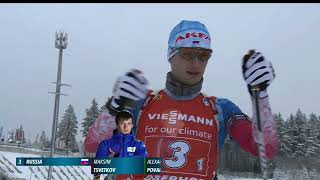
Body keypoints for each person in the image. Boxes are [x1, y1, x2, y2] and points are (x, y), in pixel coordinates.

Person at [85, 20, 278, 180]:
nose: (196, 63)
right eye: (187, 54)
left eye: (204, 56)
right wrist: (114, 108)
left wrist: (260, 95)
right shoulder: (142, 103)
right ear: (171, 55)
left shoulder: (219, 109)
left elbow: (265, 148)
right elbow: (93, 145)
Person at [93, 110, 148, 180]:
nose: (126, 127)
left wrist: (118, 158)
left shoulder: (139, 144)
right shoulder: (105, 144)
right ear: (117, 124)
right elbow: (98, 167)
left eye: (129, 123)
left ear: (132, 125)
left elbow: (144, 163)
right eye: (123, 123)